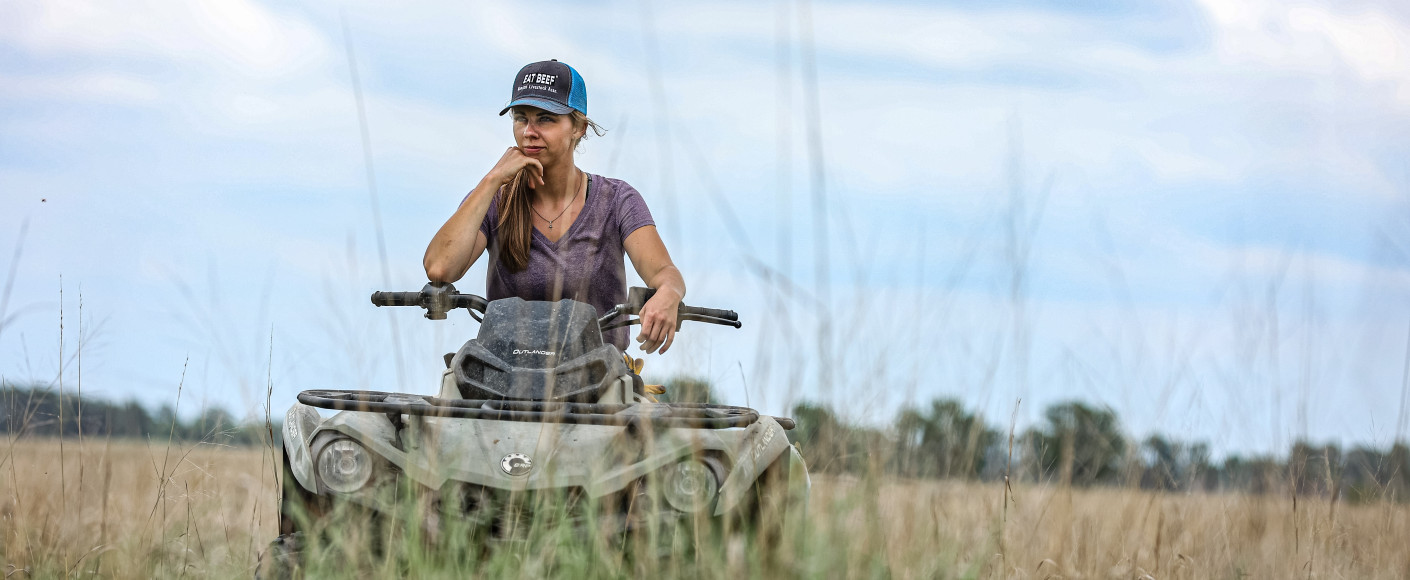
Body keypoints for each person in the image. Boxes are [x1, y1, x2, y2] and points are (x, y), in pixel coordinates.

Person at [424, 60, 686, 355]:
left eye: (545, 119)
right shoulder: (494, 198)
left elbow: (664, 271)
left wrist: (668, 294)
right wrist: (492, 180)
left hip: (598, 378)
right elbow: (439, 269)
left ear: (578, 127)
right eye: (520, 118)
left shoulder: (617, 200)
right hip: (501, 375)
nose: (529, 132)